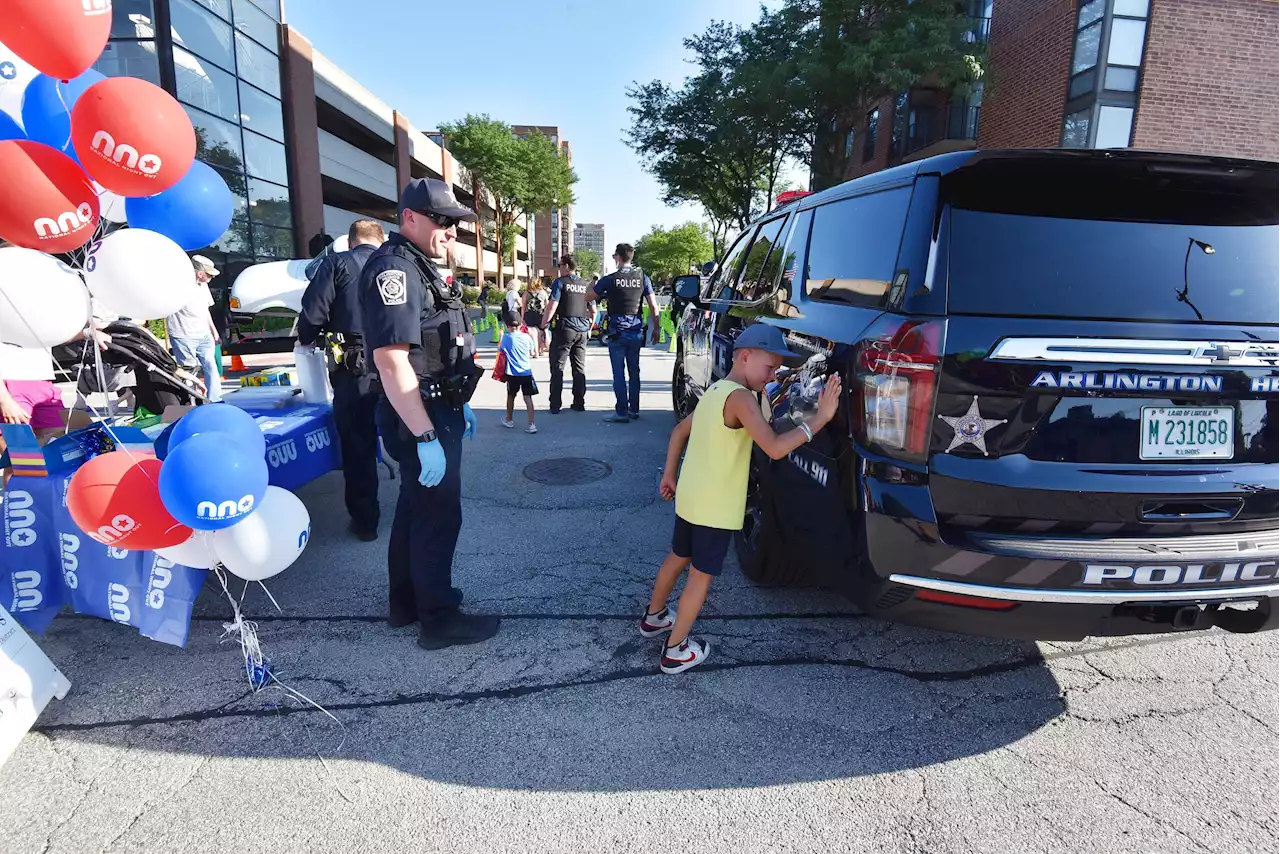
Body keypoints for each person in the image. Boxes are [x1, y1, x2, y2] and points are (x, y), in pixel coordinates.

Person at [641, 325, 842, 673]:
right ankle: (675, 651)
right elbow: (776, 448)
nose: (772, 376)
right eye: (769, 368)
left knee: (677, 558)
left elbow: (679, 431)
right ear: (746, 356)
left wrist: (669, 474)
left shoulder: (717, 390)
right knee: (700, 578)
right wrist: (819, 419)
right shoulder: (742, 398)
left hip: (692, 496)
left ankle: (654, 618)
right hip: (715, 507)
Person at [358, 177, 499, 650]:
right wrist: (425, 435)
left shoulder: (420, 267)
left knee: (414, 510)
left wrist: (457, 407)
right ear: (410, 218)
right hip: (421, 414)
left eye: (454, 225)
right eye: (441, 221)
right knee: (439, 517)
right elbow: (391, 360)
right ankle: (439, 619)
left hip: (438, 406)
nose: (449, 232)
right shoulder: (394, 270)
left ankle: (407, 603)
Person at [298, 219, 388, 541]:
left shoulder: (336, 263)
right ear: (381, 240)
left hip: (353, 367)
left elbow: (312, 314)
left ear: (350, 243)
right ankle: (421, 508)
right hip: (402, 363)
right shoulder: (398, 263)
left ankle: (366, 522)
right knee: (410, 436)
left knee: (359, 444)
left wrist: (308, 339)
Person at [586, 243, 660, 423]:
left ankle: (621, 412)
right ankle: (634, 409)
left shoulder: (610, 279)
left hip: (617, 330)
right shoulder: (643, 278)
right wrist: (656, 328)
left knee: (618, 373)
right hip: (635, 330)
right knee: (634, 371)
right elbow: (653, 305)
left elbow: (588, 297)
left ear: (618, 257)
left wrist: (594, 282)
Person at [165, 255, 223, 403]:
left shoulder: (203, 286)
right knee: (189, 369)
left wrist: (214, 330)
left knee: (211, 365)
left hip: (203, 333)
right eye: (209, 275)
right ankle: (192, 400)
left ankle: (214, 400)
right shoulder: (178, 286)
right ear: (200, 273)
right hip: (183, 334)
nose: (211, 278)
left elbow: (205, 310)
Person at [542, 254, 592, 413]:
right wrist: (589, 328)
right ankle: (579, 402)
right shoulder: (586, 284)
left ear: (566, 266)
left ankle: (555, 404)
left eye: (560, 265)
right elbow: (594, 310)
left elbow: (552, 306)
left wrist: (544, 324)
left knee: (558, 367)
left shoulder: (560, 283)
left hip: (565, 329)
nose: (559, 268)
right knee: (579, 368)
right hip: (582, 330)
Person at [498, 310, 538, 434]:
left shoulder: (506, 337)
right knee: (528, 398)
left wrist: (500, 336)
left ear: (507, 326)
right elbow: (532, 352)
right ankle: (532, 424)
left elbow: (500, 349)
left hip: (512, 373)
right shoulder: (526, 337)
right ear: (520, 325)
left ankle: (509, 419)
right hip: (526, 372)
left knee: (511, 396)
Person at [522, 278, 550, 357]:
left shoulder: (526, 293)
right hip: (541, 315)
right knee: (541, 333)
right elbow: (547, 305)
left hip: (530, 315)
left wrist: (522, 317)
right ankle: (541, 350)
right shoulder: (543, 292)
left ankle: (536, 352)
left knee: (533, 334)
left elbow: (523, 306)